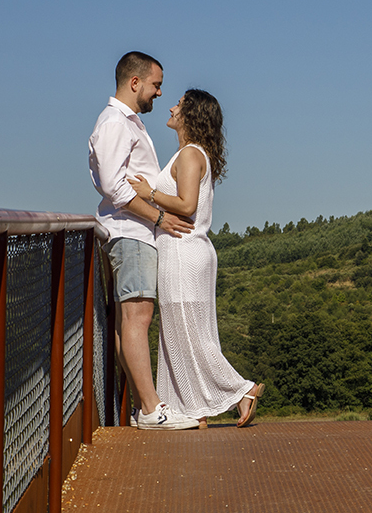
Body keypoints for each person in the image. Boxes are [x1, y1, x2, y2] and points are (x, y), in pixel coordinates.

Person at [128, 88, 265, 428]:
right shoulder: (193, 153)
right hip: (187, 250)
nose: (171, 107)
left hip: (182, 250)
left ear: (191, 115)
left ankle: (241, 389)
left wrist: (150, 194)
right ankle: (192, 410)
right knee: (182, 333)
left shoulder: (190, 154)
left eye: (179, 104)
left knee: (187, 333)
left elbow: (187, 205)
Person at [88, 51, 199, 430]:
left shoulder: (128, 123)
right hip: (130, 232)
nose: (159, 93)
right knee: (138, 317)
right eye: (155, 85)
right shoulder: (115, 124)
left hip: (133, 232)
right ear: (135, 82)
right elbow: (116, 188)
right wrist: (160, 218)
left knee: (130, 321)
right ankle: (152, 409)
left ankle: (144, 407)